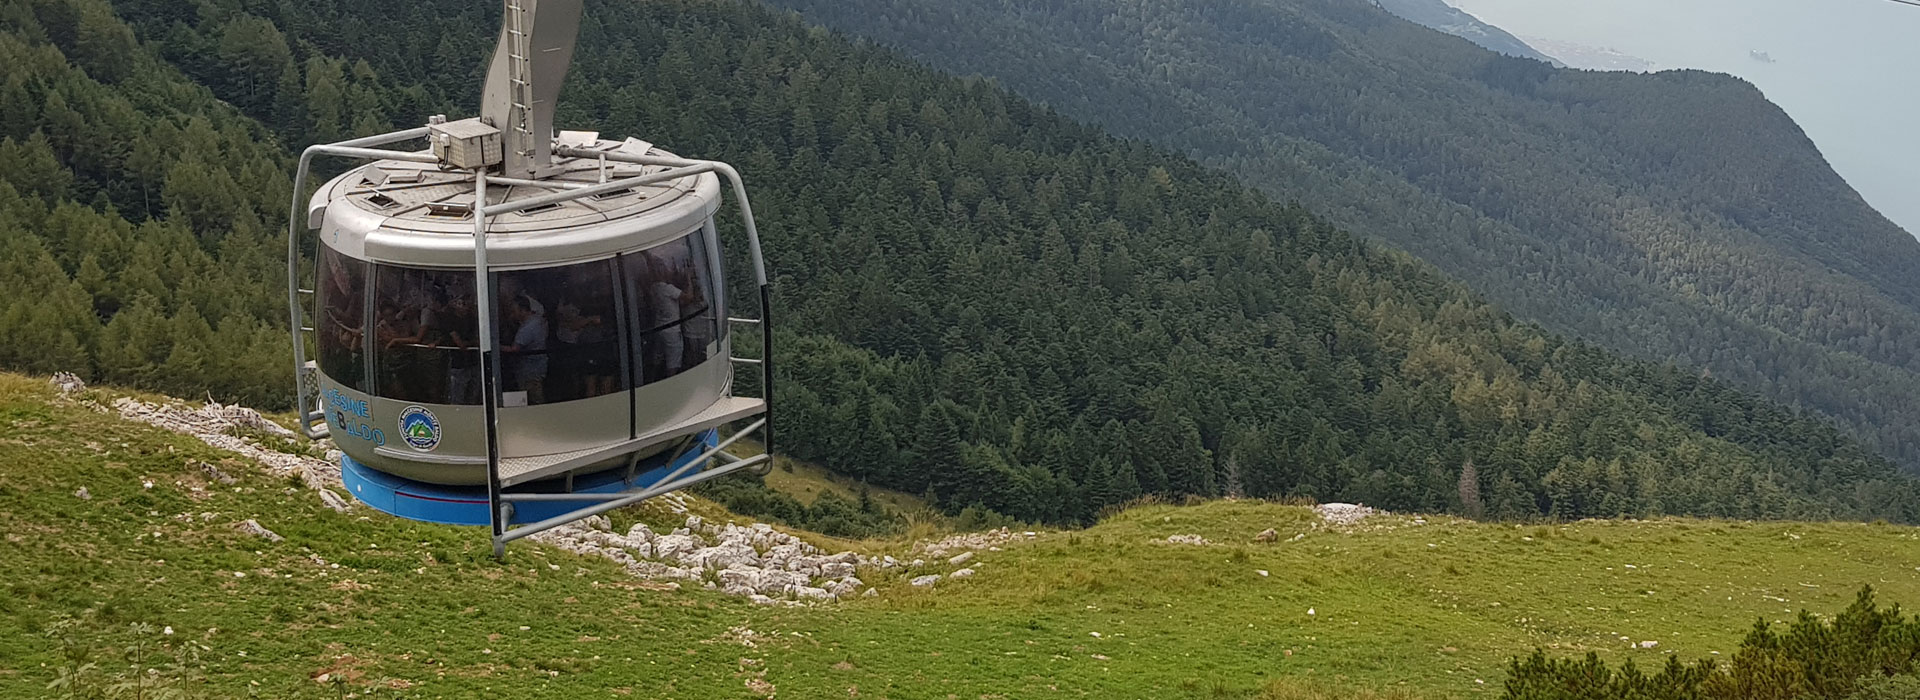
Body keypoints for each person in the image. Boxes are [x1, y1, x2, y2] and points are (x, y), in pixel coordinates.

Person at [500, 294, 549, 405]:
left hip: (529, 371)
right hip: (539, 365)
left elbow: (514, 349)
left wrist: (495, 346)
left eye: (514, 311)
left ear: (522, 310)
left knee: (534, 398)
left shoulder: (527, 329)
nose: (512, 314)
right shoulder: (538, 319)